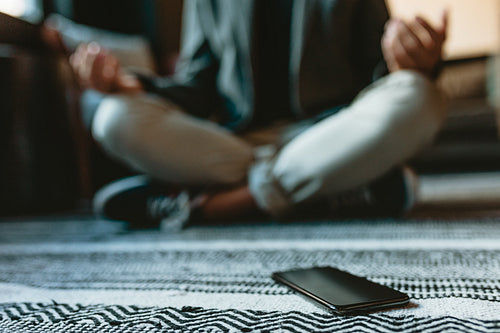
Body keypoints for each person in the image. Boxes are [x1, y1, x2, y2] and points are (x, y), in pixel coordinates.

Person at [55, 0, 448, 226]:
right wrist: (127, 87)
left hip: (328, 132)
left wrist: (410, 62)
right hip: (237, 145)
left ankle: (214, 204)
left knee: (420, 96)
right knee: (112, 117)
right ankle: (337, 185)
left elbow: (378, 75)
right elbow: (197, 85)